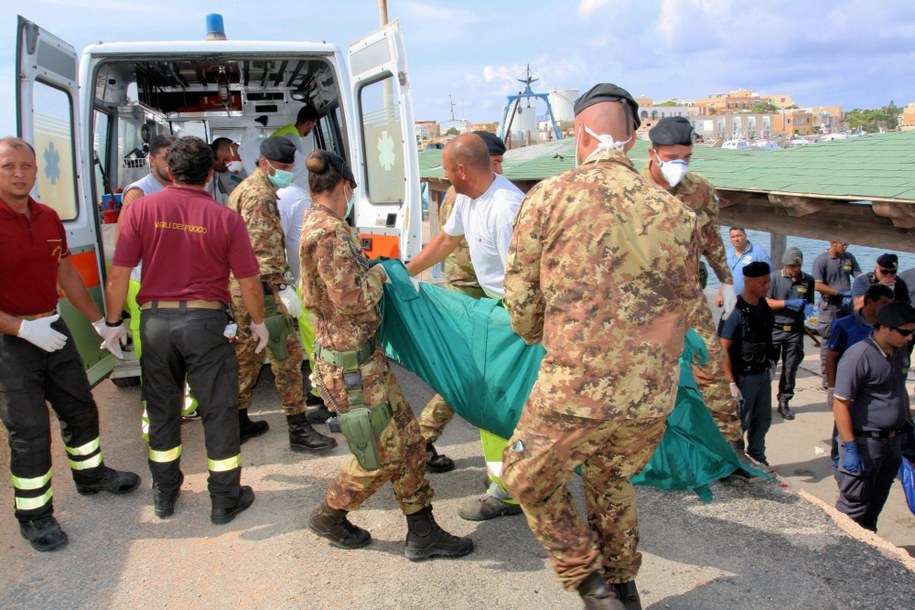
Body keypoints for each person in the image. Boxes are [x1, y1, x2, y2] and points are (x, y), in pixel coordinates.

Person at [501, 84, 700, 610]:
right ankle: (625, 587)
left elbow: (520, 304)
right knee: (610, 476)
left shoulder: (548, 196)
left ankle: (592, 587)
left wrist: (544, 334)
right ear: (633, 139)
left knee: (525, 475)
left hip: (576, 391)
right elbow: (686, 304)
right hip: (650, 396)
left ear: (578, 133)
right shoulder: (677, 213)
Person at [300, 149, 473, 562]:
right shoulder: (329, 232)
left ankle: (423, 529)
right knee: (382, 456)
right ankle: (329, 514)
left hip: (363, 360)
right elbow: (355, 299)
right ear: (345, 188)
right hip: (350, 367)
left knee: (411, 442)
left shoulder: (320, 223)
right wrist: (382, 272)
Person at [104, 136, 267, 524]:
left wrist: (112, 324)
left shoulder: (142, 210)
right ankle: (225, 498)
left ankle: (164, 492)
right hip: (206, 323)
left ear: (169, 171)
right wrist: (258, 323)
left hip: (156, 322)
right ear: (210, 173)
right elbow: (248, 280)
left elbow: (119, 273)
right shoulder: (226, 217)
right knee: (218, 410)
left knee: (162, 409)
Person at [0, 136, 140, 552]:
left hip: (52, 328)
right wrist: (22, 330)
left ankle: (91, 475)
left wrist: (100, 322)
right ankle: (35, 515)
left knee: (80, 408)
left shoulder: (46, 218)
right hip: (11, 340)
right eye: (9, 167)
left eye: (26, 166)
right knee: (28, 431)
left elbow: (66, 275)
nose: (19, 174)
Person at [406, 132, 525, 522]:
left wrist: (512, 329)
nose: (443, 177)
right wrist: (405, 274)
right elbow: (445, 240)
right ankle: (505, 482)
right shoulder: (468, 199)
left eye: (444, 170)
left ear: (460, 170)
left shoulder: (506, 208)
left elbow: (525, 281)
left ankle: (511, 489)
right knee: (487, 400)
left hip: (515, 314)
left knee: (503, 402)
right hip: (493, 309)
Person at [640, 116, 744, 455]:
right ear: (653, 153)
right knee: (645, 371)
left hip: (687, 294)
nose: (679, 165)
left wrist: (727, 279)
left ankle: (730, 447)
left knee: (710, 363)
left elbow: (712, 238)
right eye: (671, 158)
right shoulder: (630, 190)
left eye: (686, 157)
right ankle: (645, 449)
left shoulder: (700, 189)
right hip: (641, 299)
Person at [227, 137, 336, 453]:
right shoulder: (260, 197)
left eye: (290, 167)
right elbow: (263, 253)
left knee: (246, 357)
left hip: (241, 288)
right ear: (264, 163)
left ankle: (238, 421)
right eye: (283, 168)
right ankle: (299, 429)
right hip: (262, 291)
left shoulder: (245, 189)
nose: (287, 173)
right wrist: (282, 288)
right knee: (286, 360)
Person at [416, 130, 507, 475]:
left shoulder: (488, 193)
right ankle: (422, 436)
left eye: (500, 163)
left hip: (477, 291)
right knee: (468, 377)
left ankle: (421, 437)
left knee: (474, 376)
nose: (498, 171)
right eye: (494, 163)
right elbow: (449, 242)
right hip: (468, 291)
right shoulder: (464, 195)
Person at [118, 136, 199, 427]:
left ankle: (183, 405)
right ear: (152, 160)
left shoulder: (180, 187)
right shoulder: (139, 193)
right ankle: (155, 417)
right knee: (154, 353)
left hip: (179, 283)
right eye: (167, 158)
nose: (172, 164)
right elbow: (124, 247)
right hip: (145, 283)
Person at [834, 301, 915, 532]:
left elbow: (899, 390)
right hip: (865, 443)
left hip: (892, 443)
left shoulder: (900, 354)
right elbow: (841, 403)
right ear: (886, 327)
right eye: (905, 332)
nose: (910, 337)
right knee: (853, 508)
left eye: (913, 332)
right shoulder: (858, 356)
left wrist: (907, 424)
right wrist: (850, 447)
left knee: (874, 507)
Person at [276, 182, 330, 425]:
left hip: (311, 286)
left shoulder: (284, 199)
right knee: (315, 344)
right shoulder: (300, 199)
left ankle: (330, 400)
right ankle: (322, 393)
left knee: (321, 345)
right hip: (307, 284)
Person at [825, 284, 894, 470]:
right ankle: (839, 465)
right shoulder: (844, 325)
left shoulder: (887, 328)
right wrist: (832, 387)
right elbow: (831, 357)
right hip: (849, 389)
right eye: (883, 303)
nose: (887, 307)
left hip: (875, 390)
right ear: (869, 302)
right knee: (842, 428)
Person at [719, 262, 776, 468]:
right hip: (743, 376)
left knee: (763, 420)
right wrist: (730, 382)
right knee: (739, 423)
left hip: (762, 373)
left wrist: (771, 362)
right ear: (749, 282)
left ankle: (758, 456)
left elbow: (768, 338)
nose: (767, 286)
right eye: (763, 282)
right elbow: (722, 348)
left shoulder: (763, 307)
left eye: (768, 281)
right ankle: (733, 462)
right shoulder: (735, 310)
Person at [766, 247, 815, 420]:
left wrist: (809, 307)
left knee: (790, 367)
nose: (795, 270)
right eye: (792, 266)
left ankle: (784, 401)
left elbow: (809, 301)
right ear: (786, 265)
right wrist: (787, 303)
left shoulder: (807, 280)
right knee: (769, 366)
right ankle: (764, 402)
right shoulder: (774, 278)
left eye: (798, 266)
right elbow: (766, 302)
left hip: (795, 330)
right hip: (775, 328)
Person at [813, 240, 863, 387]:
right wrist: (839, 293)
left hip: (847, 306)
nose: (845, 246)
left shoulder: (848, 257)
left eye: (847, 243)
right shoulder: (821, 260)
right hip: (830, 306)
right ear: (833, 242)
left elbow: (859, 276)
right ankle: (827, 378)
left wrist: (859, 290)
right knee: (829, 341)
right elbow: (817, 285)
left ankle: (844, 373)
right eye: (843, 243)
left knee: (848, 339)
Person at [273, 104, 319, 189]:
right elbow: (296, 169)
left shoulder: (287, 130)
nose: (312, 129)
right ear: (309, 123)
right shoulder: (292, 137)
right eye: (313, 125)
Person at [721, 227, 772, 301]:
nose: (736, 239)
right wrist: (720, 294)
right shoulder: (728, 253)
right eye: (733, 237)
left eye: (739, 235)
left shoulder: (759, 253)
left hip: (751, 300)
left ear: (746, 236)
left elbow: (770, 276)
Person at [210, 137, 247, 205]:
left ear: (233, 147)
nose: (227, 165)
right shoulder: (225, 176)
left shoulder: (254, 155)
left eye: (225, 159)